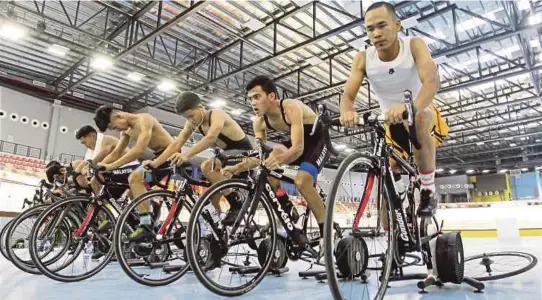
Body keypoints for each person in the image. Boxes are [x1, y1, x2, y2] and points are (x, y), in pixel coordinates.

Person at [339, 2, 449, 217]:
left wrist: (410, 107)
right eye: (370, 29)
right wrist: (347, 111)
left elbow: (431, 82)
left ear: (397, 25)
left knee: (418, 117)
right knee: (386, 169)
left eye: (382, 26)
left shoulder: (414, 45)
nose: (376, 33)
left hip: (421, 114)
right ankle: (396, 209)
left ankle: (428, 188)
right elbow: (347, 96)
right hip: (392, 123)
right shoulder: (362, 58)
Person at [224, 75, 332, 257]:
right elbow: (259, 157)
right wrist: (237, 168)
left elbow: (298, 147)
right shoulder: (258, 122)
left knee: (302, 181)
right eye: (250, 98)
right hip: (297, 144)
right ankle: (285, 204)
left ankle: (326, 233)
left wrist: (278, 161)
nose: (252, 102)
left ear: (271, 97)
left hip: (318, 140)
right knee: (269, 159)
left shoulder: (290, 107)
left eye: (257, 97)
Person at [144, 91, 253, 225]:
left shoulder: (217, 114)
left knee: (207, 166)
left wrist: (186, 154)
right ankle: (219, 227)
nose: (191, 120)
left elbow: (211, 137)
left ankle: (236, 203)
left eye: (191, 115)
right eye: (187, 118)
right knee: (212, 195)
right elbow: (177, 143)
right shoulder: (191, 124)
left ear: (200, 107)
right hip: (224, 157)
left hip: (243, 153)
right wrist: (155, 163)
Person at [93, 105, 174, 241]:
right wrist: (99, 166)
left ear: (118, 117)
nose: (117, 130)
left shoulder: (144, 119)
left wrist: (111, 166)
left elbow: (139, 149)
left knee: (135, 178)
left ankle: (146, 224)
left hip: (170, 156)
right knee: (132, 191)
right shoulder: (126, 131)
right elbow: (117, 153)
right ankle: (152, 213)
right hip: (157, 158)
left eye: (114, 126)